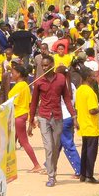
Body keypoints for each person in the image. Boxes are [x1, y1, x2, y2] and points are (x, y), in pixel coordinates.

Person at [29, 54, 75, 188]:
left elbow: (66, 98)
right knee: (48, 147)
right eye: (42, 66)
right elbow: (34, 102)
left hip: (57, 117)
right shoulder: (39, 81)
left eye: (46, 65)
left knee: (55, 147)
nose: (44, 68)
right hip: (43, 117)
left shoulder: (61, 79)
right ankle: (51, 176)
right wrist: (31, 121)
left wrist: (73, 115)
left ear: (52, 65)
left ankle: (53, 169)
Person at [6, 62, 41, 173]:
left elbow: (13, 104)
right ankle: (7, 165)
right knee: (11, 142)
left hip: (18, 116)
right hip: (22, 114)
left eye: (13, 73)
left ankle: (36, 165)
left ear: (19, 74)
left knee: (24, 142)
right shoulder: (25, 85)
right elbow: (29, 102)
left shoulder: (19, 86)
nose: (11, 75)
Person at [74, 67, 99, 184]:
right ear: (87, 77)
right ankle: (89, 175)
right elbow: (92, 110)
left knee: (85, 151)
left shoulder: (79, 90)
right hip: (91, 126)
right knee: (91, 152)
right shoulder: (89, 92)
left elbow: (77, 107)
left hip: (83, 124)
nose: (95, 78)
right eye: (93, 76)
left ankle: (83, 174)